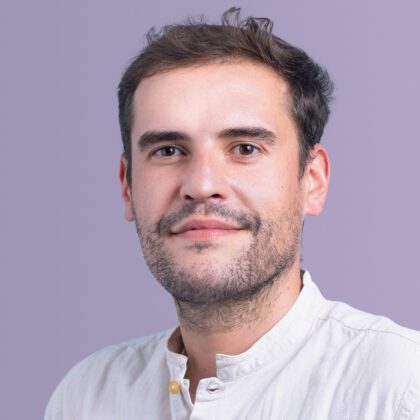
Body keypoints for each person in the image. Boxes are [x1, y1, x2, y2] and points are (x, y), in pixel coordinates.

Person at [45, 7, 420, 419]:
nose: (202, 184)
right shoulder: (86, 397)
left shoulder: (401, 390)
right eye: (168, 151)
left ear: (312, 180)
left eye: (245, 148)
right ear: (127, 186)